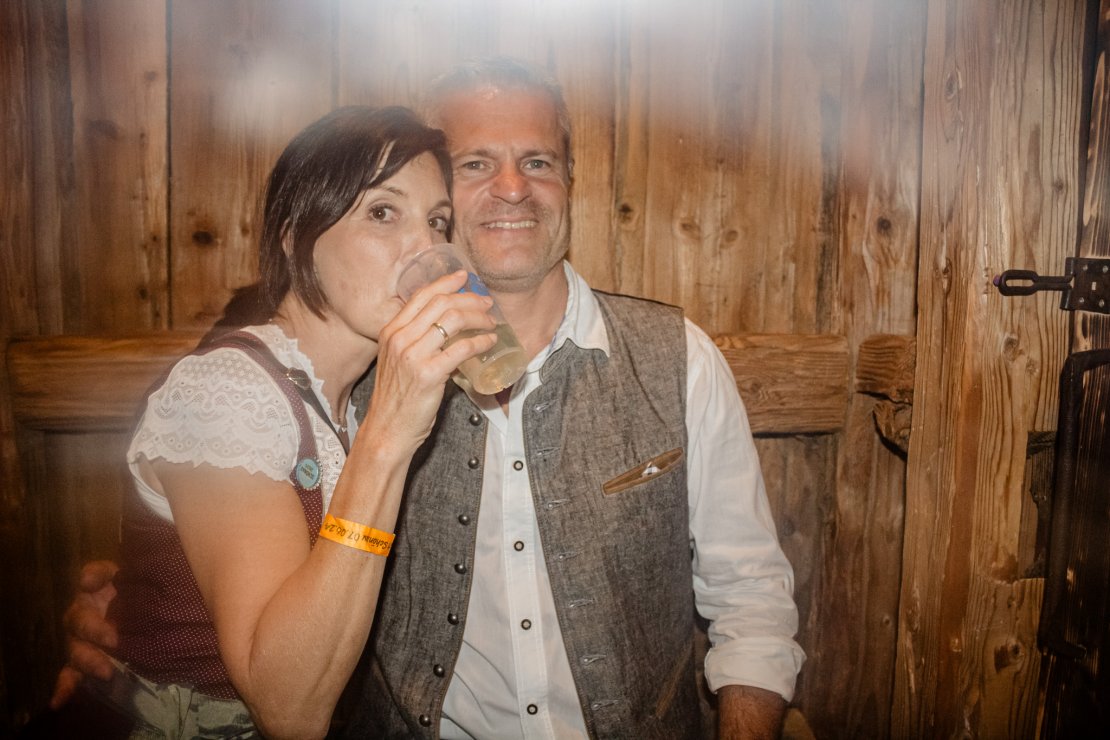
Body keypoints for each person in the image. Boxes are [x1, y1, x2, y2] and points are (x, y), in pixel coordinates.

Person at [54, 58, 805, 739]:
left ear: (570, 184)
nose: (512, 187)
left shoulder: (677, 360)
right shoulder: (357, 371)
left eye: (538, 161)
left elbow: (751, 599)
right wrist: (145, 607)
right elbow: (225, 450)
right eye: (476, 163)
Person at [47, 105, 500, 739]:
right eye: (382, 212)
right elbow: (289, 711)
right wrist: (389, 437)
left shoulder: (355, 396)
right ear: (293, 236)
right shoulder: (228, 391)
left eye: (437, 221)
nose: (425, 247)